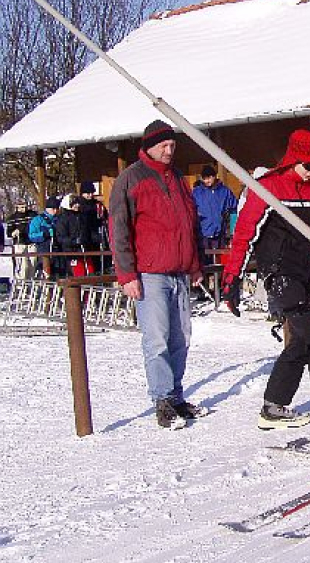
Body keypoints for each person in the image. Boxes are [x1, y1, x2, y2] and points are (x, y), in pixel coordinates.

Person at [221, 130, 310, 431]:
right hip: (279, 276)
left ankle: (273, 407)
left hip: (303, 275)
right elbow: (244, 235)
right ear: (292, 161)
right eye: (307, 166)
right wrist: (231, 279)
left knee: (300, 342)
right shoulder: (269, 188)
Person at [109, 119, 207, 430]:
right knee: (158, 339)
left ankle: (176, 396)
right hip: (149, 273)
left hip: (179, 272)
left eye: (172, 145)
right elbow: (119, 229)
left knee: (181, 338)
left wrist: (196, 264)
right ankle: (162, 399)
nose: (169, 150)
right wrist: (127, 274)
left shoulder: (178, 178)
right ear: (149, 146)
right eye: (163, 145)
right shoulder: (131, 178)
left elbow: (191, 225)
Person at [192, 164, 238, 255]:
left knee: (219, 259)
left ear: (214, 176)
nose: (207, 181)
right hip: (203, 234)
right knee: (204, 259)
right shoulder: (197, 192)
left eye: (209, 178)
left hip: (220, 234)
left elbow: (234, 211)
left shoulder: (225, 191)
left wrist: (233, 232)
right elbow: (190, 209)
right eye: (204, 178)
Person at [54, 195, 95, 277]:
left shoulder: (82, 217)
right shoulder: (63, 219)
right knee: (78, 274)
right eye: (74, 204)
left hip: (84, 250)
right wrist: (74, 241)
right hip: (72, 252)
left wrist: (93, 238)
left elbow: (87, 231)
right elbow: (60, 238)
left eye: (78, 203)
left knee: (91, 273)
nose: (77, 205)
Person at [78, 181, 109, 271]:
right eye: (88, 193)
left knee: (98, 257)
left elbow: (105, 216)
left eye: (92, 193)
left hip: (96, 233)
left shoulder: (97, 204)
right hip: (85, 234)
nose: (90, 195)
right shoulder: (79, 204)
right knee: (89, 258)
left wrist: (102, 214)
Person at [28, 197, 59, 279]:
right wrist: (44, 234)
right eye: (53, 209)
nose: (55, 211)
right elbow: (31, 235)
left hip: (58, 252)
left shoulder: (59, 219)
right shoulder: (38, 220)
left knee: (58, 274)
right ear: (47, 208)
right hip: (44, 251)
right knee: (46, 274)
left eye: (57, 209)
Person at [6, 200, 37, 280]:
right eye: (22, 207)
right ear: (17, 207)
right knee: (23, 266)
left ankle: (31, 282)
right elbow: (9, 233)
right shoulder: (12, 218)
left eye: (25, 206)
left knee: (33, 264)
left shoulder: (33, 215)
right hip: (20, 244)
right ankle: (21, 283)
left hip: (31, 243)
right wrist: (13, 233)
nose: (24, 209)